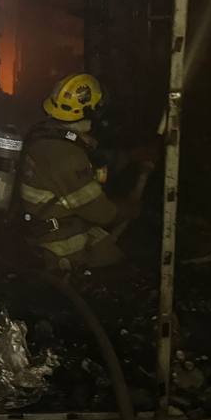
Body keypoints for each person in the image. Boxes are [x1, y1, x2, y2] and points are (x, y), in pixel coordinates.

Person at [16, 73, 155, 271]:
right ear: (91, 113)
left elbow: (96, 159)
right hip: (60, 246)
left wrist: (131, 156)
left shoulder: (47, 133)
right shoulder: (67, 156)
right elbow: (103, 213)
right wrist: (133, 207)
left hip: (48, 227)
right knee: (123, 265)